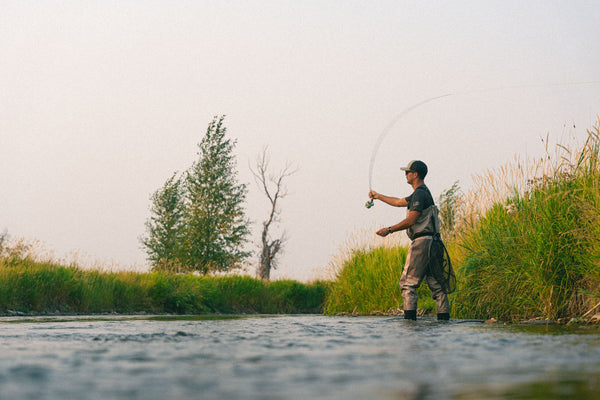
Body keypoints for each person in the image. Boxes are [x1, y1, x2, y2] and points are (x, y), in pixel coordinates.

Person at [368, 160, 450, 321]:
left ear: (415, 174)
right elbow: (398, 202)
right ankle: (444, 323)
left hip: (422, 243)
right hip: (435, 243)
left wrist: (389, 230)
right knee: (437, 285)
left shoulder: (419, 193)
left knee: (408, 284)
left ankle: (410, 324)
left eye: (407, 172)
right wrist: (377, 196)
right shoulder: (422, 193)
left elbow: (411, 220)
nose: (405, 174)